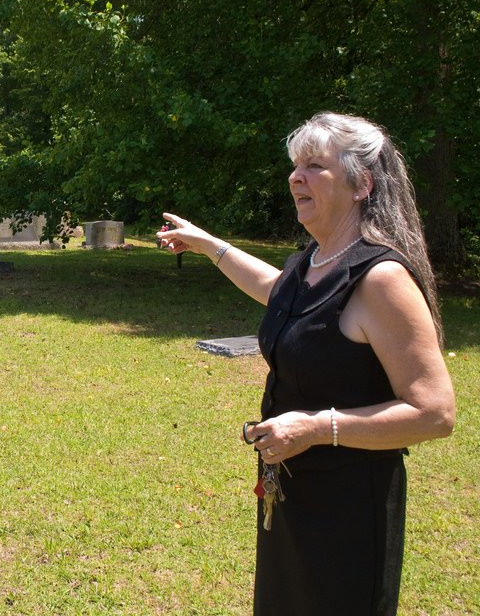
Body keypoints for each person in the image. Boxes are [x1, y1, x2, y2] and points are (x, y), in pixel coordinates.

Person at [156, 112, 455, 616]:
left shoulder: (381, 279)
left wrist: (317, 428)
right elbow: (276, 292)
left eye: (314, 165)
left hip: (348, 507)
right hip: (293, 491)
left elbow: (435, 413)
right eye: (295, 166)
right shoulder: (312, 263)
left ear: (363, 184)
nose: (296, 177)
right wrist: (209, 245)